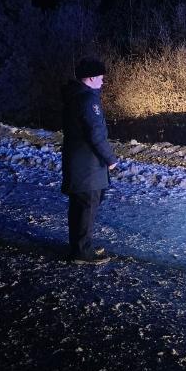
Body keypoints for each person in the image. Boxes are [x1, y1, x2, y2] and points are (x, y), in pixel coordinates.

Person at [61, 57, 118, 264]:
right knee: (86, 207)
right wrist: (110, 159)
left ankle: (80, 245)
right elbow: (95, 134)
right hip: (87, 165)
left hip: (79, 163)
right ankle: (81, 252)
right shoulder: (87, 100)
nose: (103, 81)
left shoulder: (76, 96)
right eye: (101, 78)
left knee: (81, 206)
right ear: (91, 77)